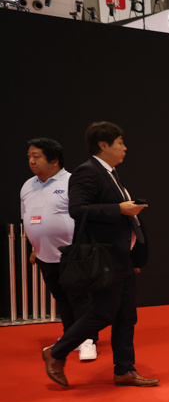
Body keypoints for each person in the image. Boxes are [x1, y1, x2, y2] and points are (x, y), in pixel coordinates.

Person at [42, 122, 157, 388]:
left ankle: (124, 370)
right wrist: (119, 209)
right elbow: (77, 209)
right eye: (120, 143)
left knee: (127, 316)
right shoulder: (87, 171)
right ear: (103, 145)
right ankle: (56, 352)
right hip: (104, 257)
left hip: (121, 256)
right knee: (103, 313)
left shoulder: (111, 173)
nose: (125, 148)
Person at [20, 138, 98, 360]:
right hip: (44, 254)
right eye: (29, 156)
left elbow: (86, 217)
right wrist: (34, 247)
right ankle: (70, 336)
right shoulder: (27, 186)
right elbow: (27, 217)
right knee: (61, 298)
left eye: (36, 156)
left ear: (54, 160)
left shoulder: (72, 182)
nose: (31, 161)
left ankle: (88, 340)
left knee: (79, 298)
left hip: (72, 253)